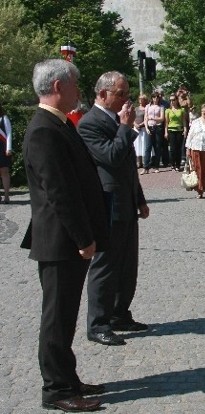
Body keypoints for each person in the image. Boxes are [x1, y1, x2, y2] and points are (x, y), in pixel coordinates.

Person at [22, 58, 108, 412]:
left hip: (66, 240)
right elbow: (59, 193)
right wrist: (82, 238)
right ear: (58, 86)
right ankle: (56, 389)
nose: (78, 90)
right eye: (74, 83)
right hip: (60, 242)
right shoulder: (44, 129)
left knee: (65, 315)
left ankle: (67, 378)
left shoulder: (58, 124)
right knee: (57, 318)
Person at [79, 71, 150, 347]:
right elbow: (110, 156)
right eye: (121, 94)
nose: (126, 99)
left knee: (127, 265)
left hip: (127, 201)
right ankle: (98, 323)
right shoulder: (90, 124)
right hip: (106, 205)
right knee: (105, 266)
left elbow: (128, 166)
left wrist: (140, 198)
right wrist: (125, 128)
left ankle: (120, 313)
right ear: (102, 94)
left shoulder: (118, 121)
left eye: (127, 93)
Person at [142, 92, 164, 174]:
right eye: (154, 97)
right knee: (148, 147)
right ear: (152, 98)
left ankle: (157, 166)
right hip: (149, 127)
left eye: (157, 97)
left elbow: (162, 118)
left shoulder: (161, 107)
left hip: (157, 127)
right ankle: (145, 167)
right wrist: (146, 128)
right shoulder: (148, 106)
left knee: (157, 147)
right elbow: (145, 118)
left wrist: (153, 118)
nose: (155, 99)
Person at [164, 94, 188, 171]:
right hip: (171, 130)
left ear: (177, 100)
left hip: (179, 130)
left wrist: (185, 130)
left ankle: (178, 164)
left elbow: (184, 121)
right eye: (170, 100)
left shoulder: (182, 110)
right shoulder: (168, 110)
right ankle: (172, 164)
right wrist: (166, 132)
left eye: (173, 100)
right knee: (172, 148)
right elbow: (166, 122)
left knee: (179, 148)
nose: (172, 101)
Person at [0, 102, 12, 203]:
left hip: (3, 148)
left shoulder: (4, 118)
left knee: (4, 172)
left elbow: (8, 134)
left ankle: (6, 196)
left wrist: (8, 148)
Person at [134, 94, 149, 169]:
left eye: (142, 99)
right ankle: (138, 162)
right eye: (139, 98)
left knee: (144, 145)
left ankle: (144, 162)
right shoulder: (136, 108)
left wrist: (141, 124)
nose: (140, 100)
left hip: (143, 129)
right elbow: (132, 117)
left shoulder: (147, 108)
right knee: (137, 145)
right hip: (136, 129)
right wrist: (135, 124)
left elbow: (147, 118)